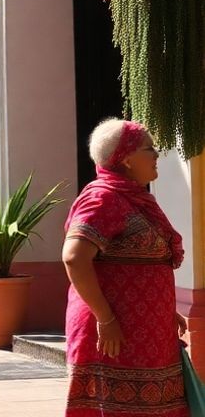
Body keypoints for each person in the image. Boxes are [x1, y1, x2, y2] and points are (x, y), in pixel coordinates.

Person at [63, 118, 187, 416]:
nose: (157, 155)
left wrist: (164, 307)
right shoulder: (103, 197)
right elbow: (74, 257)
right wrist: (105, 319)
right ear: (127, 159)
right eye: (150, 149)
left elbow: (137, 263)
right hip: (113, 334)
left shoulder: (134, 198)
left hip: (145, 332)